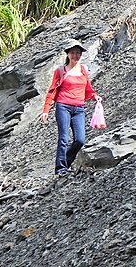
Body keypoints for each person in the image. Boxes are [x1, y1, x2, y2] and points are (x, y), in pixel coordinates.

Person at [40, 40, 102, 175]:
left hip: (79, 108)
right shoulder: (61, 71)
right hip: (63, 107)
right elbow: (52, 91)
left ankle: (65, 163)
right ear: (68, 54)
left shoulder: (83, 70)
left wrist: (94, 96)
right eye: (73, 53)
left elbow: (88, 88)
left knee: (80, 140)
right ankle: (61, 169)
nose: (76, 56)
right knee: (63, 138)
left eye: (78, 53)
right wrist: (46, 111)